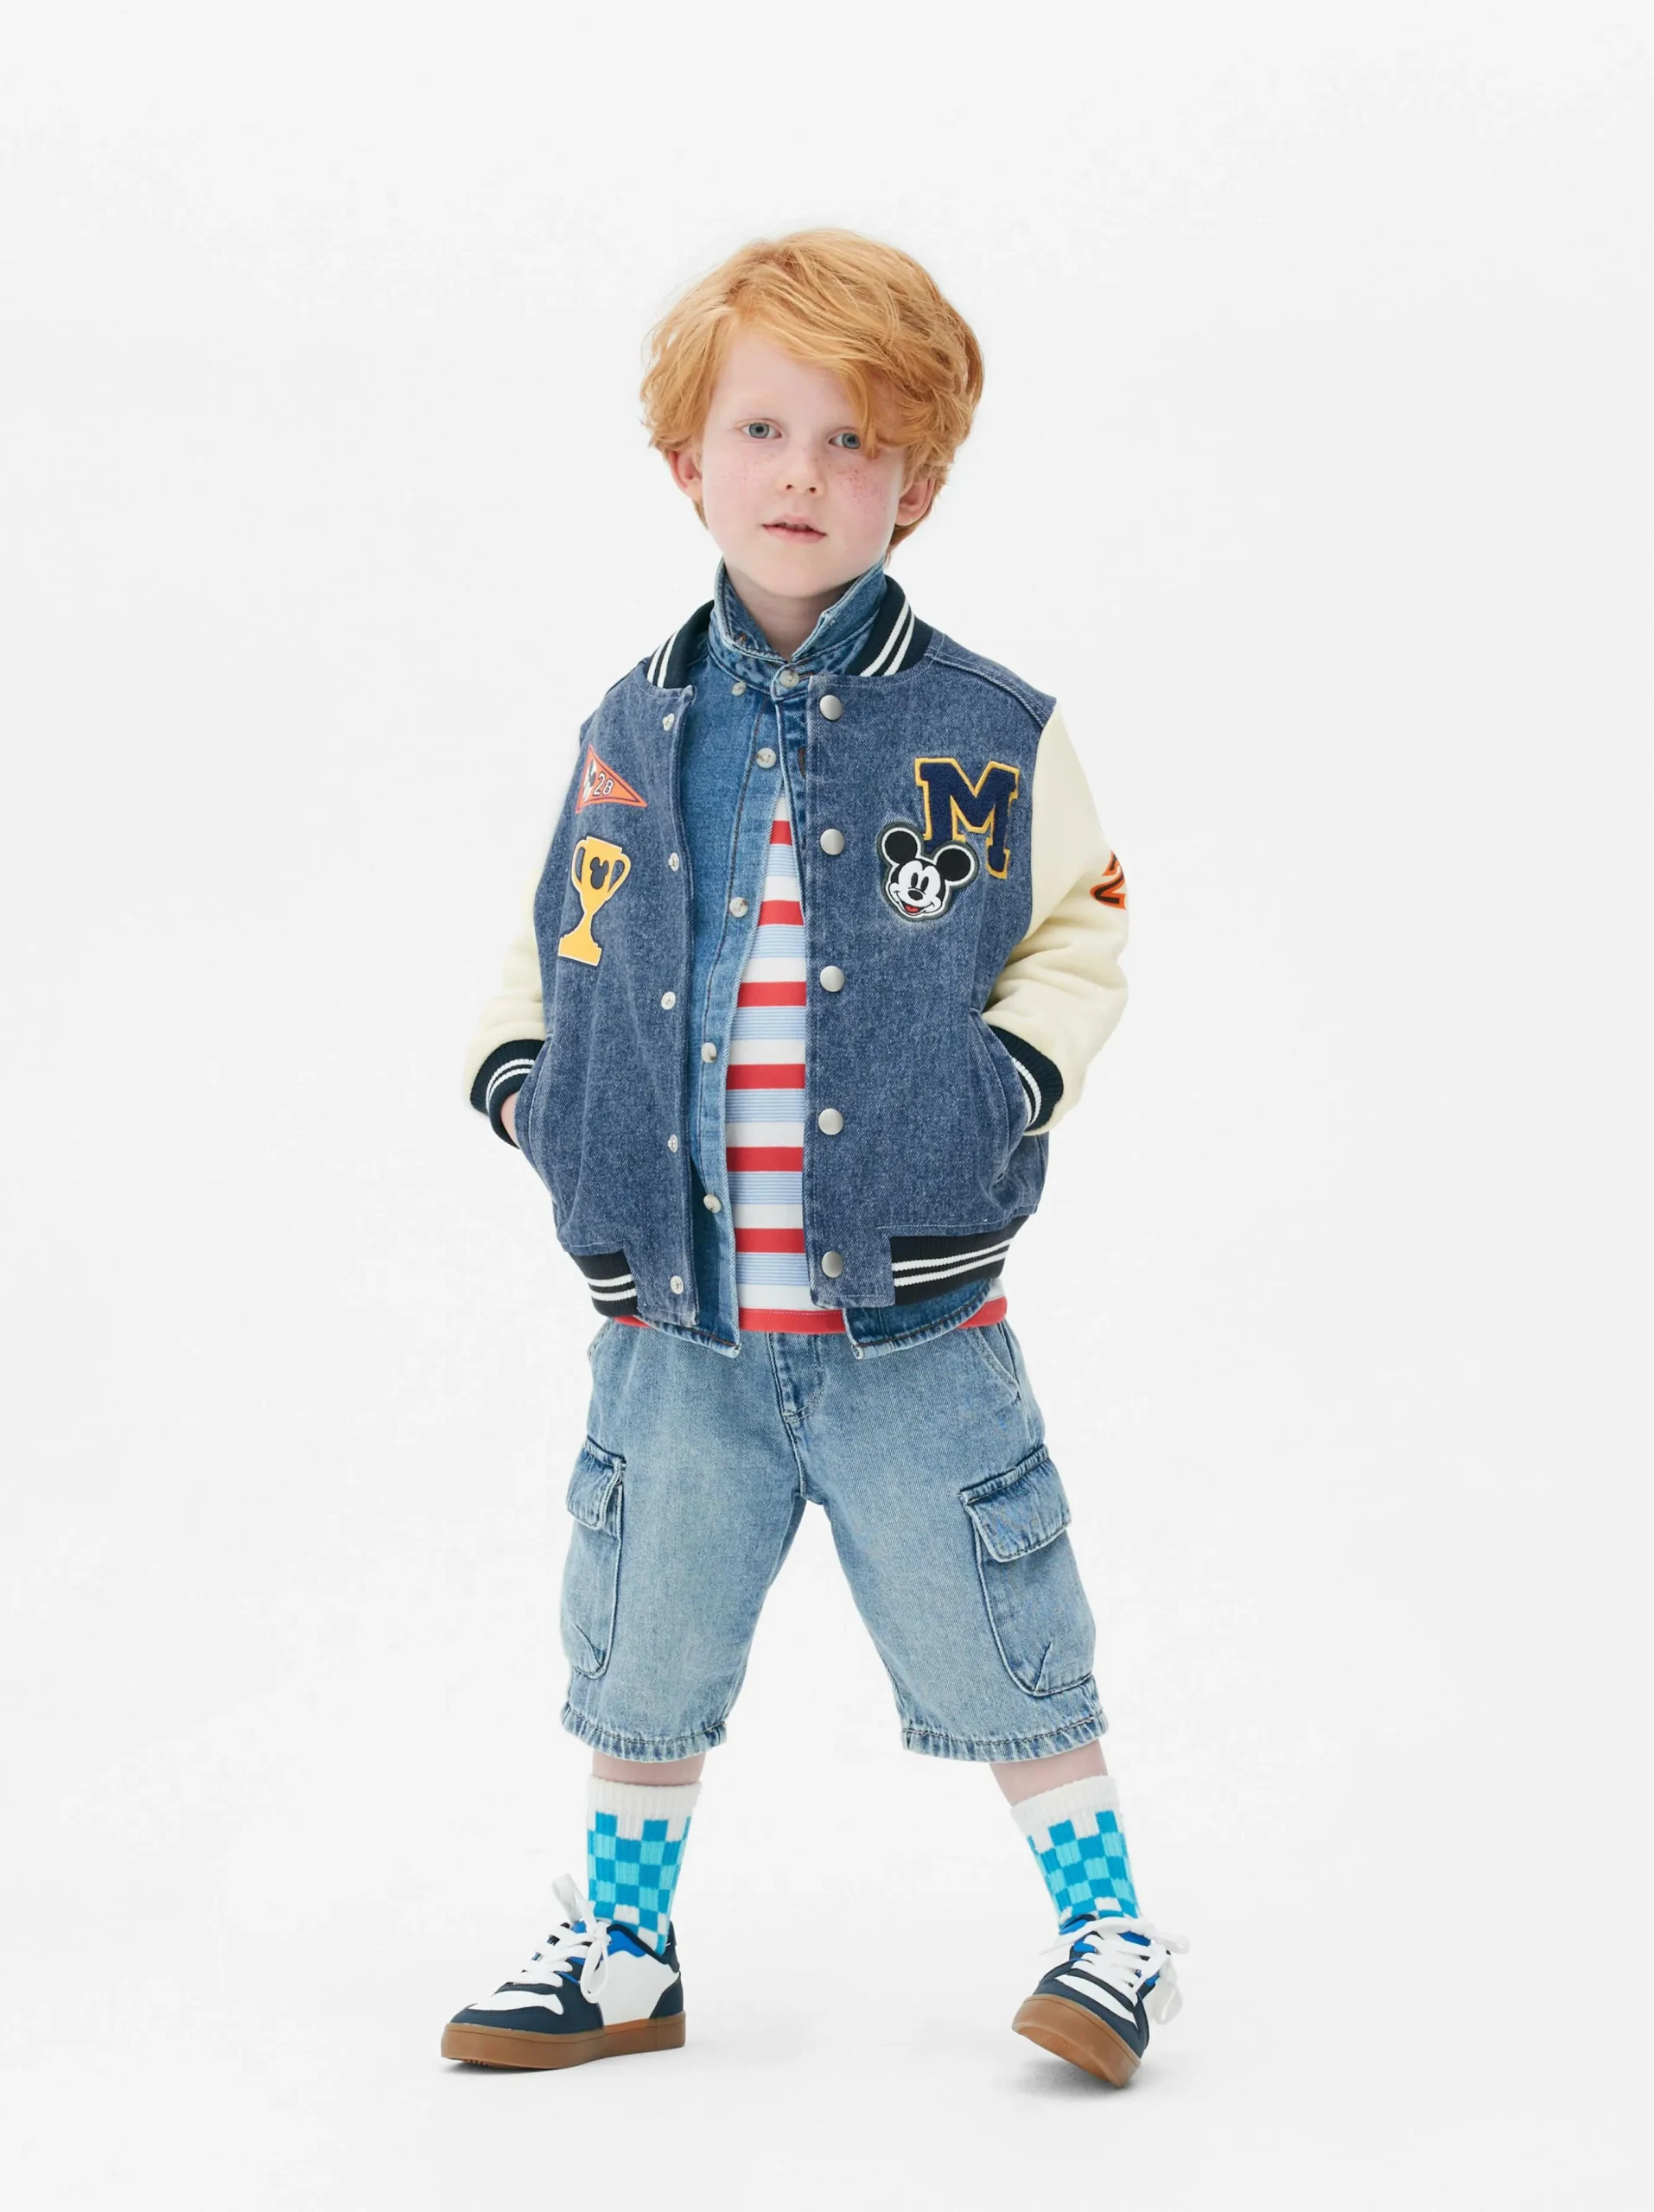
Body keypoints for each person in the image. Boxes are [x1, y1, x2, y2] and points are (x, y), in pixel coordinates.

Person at [444, 227, 1186, 2087]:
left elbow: (1081, 928)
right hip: (677, 1321)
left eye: (854, 440)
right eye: (763, 429)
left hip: (911, 1324)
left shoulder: (992, 730)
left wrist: (1006, 1085)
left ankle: (1111, 1935)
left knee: (1002, 1626)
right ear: (684, 463)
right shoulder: (633, 723)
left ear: (914, 486)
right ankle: (626, 1948)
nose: (803, 472)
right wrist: (532, 1094)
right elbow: (553, 937)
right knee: (644, 1641)